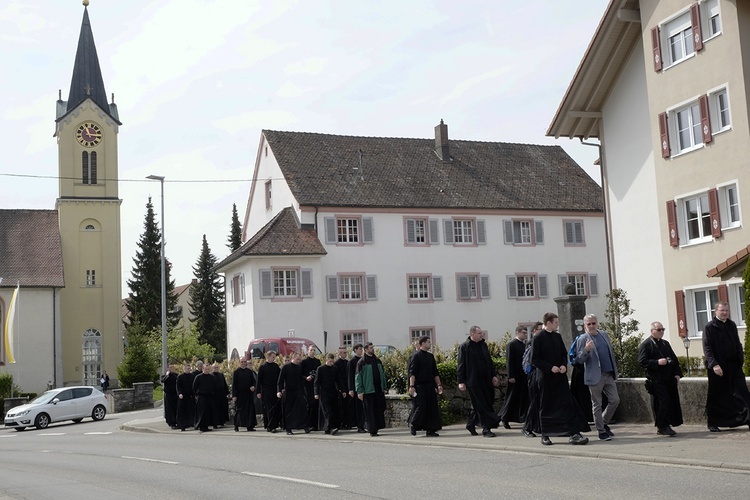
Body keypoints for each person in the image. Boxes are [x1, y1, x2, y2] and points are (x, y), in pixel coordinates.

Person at [532, 312, 589, 446]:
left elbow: (564, 354)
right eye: (556, 322)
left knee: (566, 405)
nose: (558, 324)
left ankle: (573, 433)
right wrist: (550, 367)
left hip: (560, 377)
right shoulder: (538, 337)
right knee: (546, 406)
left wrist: (564, 365)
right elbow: (534, 359)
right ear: (549, 323)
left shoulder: (557, 337)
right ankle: (545, 435)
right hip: (546, 378)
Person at [702, 302, 750, 432]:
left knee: (742, 392)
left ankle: (747, 419)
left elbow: (737, 343)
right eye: (722, 310)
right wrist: (714, 365)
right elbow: (707, 348)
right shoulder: (709, 327)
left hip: (733, 365)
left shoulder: (731, 325)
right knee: (717, 395)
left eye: (727, 310)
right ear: (715, 311)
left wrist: (740, 358)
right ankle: (713, 423)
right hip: (717, 367)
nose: (725, 313)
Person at [573, 314, 620, 441]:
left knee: (615, 400)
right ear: (585, 326)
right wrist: (586, 350)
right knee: (597, 404)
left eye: (594, 323)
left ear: (597, 323)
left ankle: (603, 422)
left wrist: (615, 371)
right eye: (589, 324)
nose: (592, 326)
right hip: (594, 376)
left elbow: (610, 353)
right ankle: (601, 431)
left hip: (608, 374)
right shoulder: (582, 339)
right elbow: (579, 359)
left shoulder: (604, 335)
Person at [638, 321, 683, 436]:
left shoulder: (665, 343)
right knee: (663, 401)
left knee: (671, 401)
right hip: (656, 379)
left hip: (669, 378)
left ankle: (666, 424)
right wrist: (657, 362)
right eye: (659, 330)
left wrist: (677, 373)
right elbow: (642, 361)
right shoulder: (646, 344)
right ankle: (662, 426)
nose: (661, 332)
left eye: (663, 329)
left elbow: (674, 359)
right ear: (652, 331)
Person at [457, 325, 501, 437]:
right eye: (479, 333)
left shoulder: (483, 345)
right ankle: (486, 429)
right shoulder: (464, 347)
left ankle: (471, 423)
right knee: (482, 405)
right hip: (473, 381)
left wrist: (493, 375)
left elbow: (489, 362)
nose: (482, 335)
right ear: (472, 334)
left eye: (482, 333)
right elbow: (461, 365)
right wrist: (461, 381)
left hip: (486, 380)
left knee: (485, 402)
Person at [407, 336, 443, 437]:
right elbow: (412, 373)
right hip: (419, 386)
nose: (430, 344)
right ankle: (414, 424)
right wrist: (411, 386)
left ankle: (431, 429)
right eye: (428, 342)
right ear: (422, 344)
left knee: (432, 407)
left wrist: (439, 385)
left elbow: (435, 372)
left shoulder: (430, 356)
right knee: (421, 406)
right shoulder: (416, 356)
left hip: (430, 385)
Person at [499, 326, 529, 431]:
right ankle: (504, 417)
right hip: (515, 376)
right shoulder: (511, 345)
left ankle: (521, 417)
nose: (525, 335)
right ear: (518, 332)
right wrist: (510, 376)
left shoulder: (525, 345)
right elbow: (509, 361)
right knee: (511, 398)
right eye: (524, 333)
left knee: (522, 398)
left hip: (523, 375)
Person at [355, 342, 388, 437]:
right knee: (370, 411)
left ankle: (377, 428)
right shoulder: (362, 362)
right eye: (370, 348)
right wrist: (360, 391)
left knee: (379, 409)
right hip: (368, 390)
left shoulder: (377, 360)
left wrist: (384, 387)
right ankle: (372, 430)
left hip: (378, 390)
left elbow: (382, 374)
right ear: (365, 350)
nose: (372, 349)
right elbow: (358, 377)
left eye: (372, 347)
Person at [277, 351, 310, 434]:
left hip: (298, 391)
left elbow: (300, 377)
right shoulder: (286, 367)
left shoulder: (299, 367)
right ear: (293, 358)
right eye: (297, 359)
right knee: (289, 411)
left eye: (300, 359)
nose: (299, 361)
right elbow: (280, 380)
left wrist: (306, 378)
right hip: (289, 392)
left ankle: (304, 426)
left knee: (302, 409)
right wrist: (279, 391)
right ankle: (288, 428)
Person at [522, 322, 543, 438]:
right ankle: (527, 427)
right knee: (534, 401)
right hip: (534, 375)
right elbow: (531, 360)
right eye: (540, 329)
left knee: (539, 402)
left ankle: (537, 426)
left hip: (540, 374)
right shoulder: (532, 342)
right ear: (534, 331)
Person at [315, 353, 343, 435]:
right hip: (324, 392)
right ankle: (330, 428)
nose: (331, 363)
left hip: (333, 392)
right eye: (330, 361)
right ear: (326, 360)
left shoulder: (335, 368)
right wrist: (316, 393)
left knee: (333, 410)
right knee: (327, 411)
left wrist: (343, 390)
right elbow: (317, 382)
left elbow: (338, 380)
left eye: (332, 362)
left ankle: (328, 428)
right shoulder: (320, 369)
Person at [256, 351, 281, 432]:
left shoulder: (276, 366)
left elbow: (279, 379)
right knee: (268, 409)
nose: (274, 358)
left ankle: (274, 425)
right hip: (266, 390)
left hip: (274, 390)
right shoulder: (262, 367)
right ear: (268, 357)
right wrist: (258, 392)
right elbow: (258, 381)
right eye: (273, 357)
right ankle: (270, 426)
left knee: (274, 408)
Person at [232, 357, 258, 432]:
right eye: (242, 362)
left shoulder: (249, 371)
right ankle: (236, 425)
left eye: (244, 362)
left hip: (248, 394)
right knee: (239, 410)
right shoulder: (236, 372)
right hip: (240, 395)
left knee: (250, 410)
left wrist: (253, 386)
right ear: (239, 362)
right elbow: (234, 385)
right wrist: (234, 395)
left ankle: (250, 426)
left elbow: (254, 381)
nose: (243, 363)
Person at [300, 345, 321, 431]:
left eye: (314, 350)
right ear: (308, 351)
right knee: (309, 405)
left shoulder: (317, 361)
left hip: (315, 386)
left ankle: (316, 424)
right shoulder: (304, 362)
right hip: (307, 386)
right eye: (311, 350)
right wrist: (306, 378)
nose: (313, 351)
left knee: (316, 404)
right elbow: (300, 374)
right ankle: (309, 424)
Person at [348, 343, 366, 433]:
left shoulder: (363, 360)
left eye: (361, 349)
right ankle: (359, 426)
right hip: (356, 388)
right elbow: (350, 376)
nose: (361, 351)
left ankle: (363, 424)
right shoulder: (351, 362)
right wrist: (351, 389)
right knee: (358, 408)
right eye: (359, 349)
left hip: (364, 387)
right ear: (355, 350)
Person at [192, 363, 215, 433]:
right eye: (205, 369)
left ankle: (206, 426)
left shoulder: (211, 377)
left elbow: (213, 386)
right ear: (202, 369)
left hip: (209, 396)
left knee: (208, 412)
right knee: (202, 412)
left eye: (208, 369)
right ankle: (201, 426)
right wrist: (196, 395)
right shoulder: (198, 377)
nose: (207, 370)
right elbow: (194, 387)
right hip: (201, 396)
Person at [334, 346, 352, 429]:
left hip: (347, 387)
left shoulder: (348, 362)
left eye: (346, 352)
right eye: (344, 352)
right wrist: (340, 389)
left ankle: (347, 423)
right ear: (340, 353)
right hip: (341, 388)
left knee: (348, 407)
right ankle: (341, 423)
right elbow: (337, 378)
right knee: (341, 407)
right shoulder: (336, 364)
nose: (345, 354)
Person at [175, 363, 195, 431]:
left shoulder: (192, 376)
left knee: (191, 411)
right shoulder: (180, 377)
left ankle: (192, 423)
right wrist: (179, 393)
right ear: (184, 369)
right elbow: (178, 386)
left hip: (190, 396)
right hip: (182, 397)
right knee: (182, 412)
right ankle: (182, 425)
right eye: (187, 368)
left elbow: (194, 386)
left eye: (189, 369)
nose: (188, 370)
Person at [212, 363, 230, 428]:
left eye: (217, 367)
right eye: (215, 367)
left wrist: (227, 392)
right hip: (215, 395)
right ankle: (216, 423)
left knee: (223, 408)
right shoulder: (211, 376)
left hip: (222, 395)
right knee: (216, 409)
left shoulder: (221, 375)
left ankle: (222, 421)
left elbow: (225, 384)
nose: (216, 369)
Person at [161, 364, 178, 429]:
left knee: (175, 409)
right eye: (170, 367)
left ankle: (176, 422)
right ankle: (172, 423)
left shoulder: (176, 375)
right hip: (168, 395)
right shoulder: (165, 376)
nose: (172, 369)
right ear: (168, 368)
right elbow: (163, 380)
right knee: (169, 410)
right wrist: (167, 375)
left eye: (172, 367)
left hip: (175, 395)